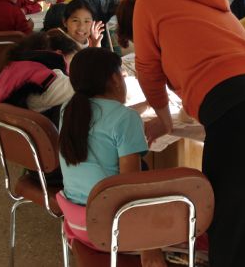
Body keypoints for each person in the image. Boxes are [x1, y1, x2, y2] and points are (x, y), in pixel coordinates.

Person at [117, 0, 245, 267]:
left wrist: (165, 121)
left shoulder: (146, 3)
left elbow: (148, 71)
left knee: (233, 234)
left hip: (243, 117)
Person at [56, 47, 166, 267]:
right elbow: (129, 188)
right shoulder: (125, 119)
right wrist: (149, 245)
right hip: (112, 230)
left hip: (76, 224)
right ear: (116, 79)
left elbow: (105, 118)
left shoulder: (68, 109)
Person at [0, 31, 79, 126]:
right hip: (42, 137)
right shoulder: (47, 78)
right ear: (59, 54)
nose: (73, 70)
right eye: (73, 62)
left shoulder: (19, 68)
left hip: (11, 131)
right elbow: (82, 84)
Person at [43, 0, 118, 49]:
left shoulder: (54, 12)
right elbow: (118, 0)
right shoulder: (98, 3)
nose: (81, 27)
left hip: (64, 60)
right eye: (75, 20)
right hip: (100, 55)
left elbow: (47, 39)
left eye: (87, 21)